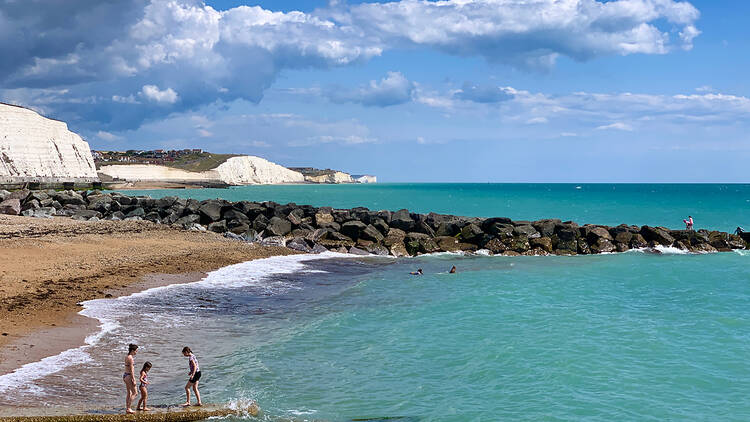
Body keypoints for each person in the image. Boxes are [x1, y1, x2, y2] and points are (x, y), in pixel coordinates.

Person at [123, 344, 138, 414]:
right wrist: (133, 379)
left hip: (125, 375)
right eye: (136, 351)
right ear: (132, 350)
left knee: (129, 392)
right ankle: (128, 408)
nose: (136, 352)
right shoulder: (131, 358)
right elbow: (131, 370)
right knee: (135, 393)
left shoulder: (127, 356)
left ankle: (127, 408)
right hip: (129, 376)